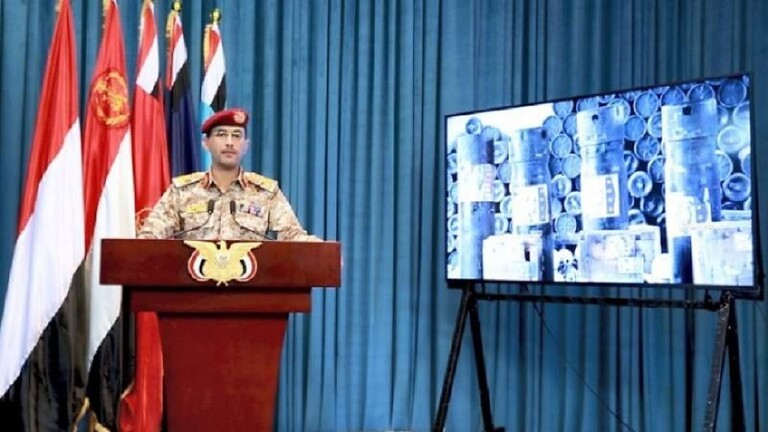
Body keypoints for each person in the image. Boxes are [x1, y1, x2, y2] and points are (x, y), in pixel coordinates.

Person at [137, 108, 319, 241]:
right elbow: (151, 235)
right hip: (192, 281)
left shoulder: (266, 192)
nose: (230, 142)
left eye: (237, 135)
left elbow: (293, 235)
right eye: (221, 134)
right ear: (206, 143)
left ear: (246, 145)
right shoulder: (182, 191)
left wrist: (321, 250)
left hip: (250, 281)